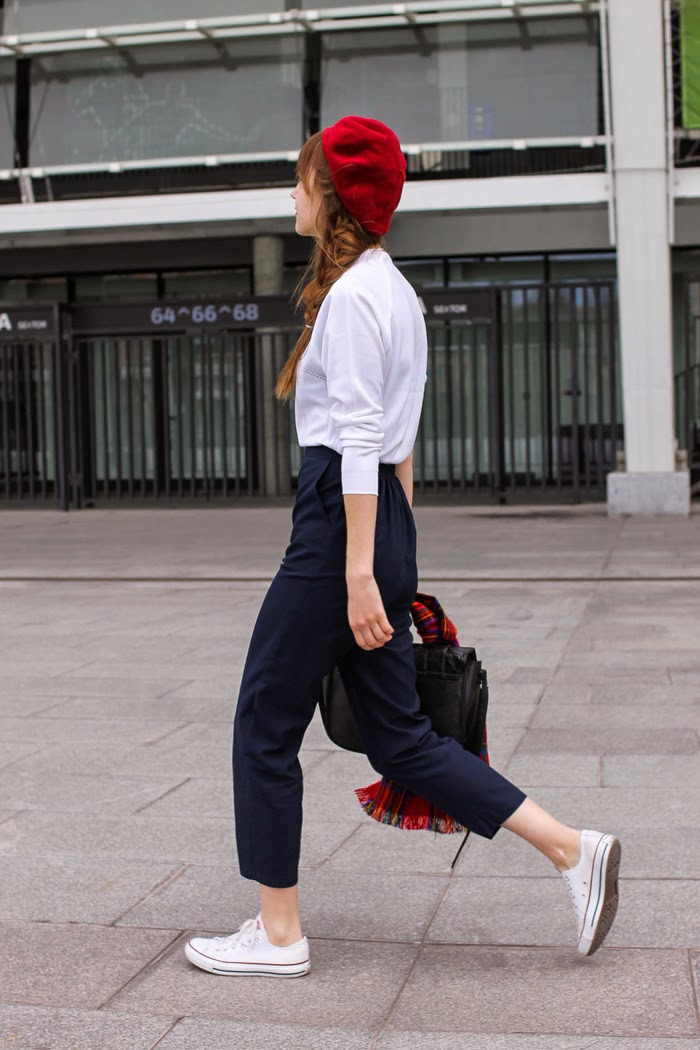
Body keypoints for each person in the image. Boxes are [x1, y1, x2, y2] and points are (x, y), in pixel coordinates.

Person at [185, 115, 621, 979]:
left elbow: (354, 440)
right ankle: (575, 849)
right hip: (379, 518)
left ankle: (278, 935)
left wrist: (355, 568)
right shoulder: (397, 291)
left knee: (264, 720)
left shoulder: (352, 299)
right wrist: (392, 552)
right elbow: (400, 442)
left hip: (338, 523)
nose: (294, 194)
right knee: (402, 740)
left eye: (303, 179)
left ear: (332, 193)